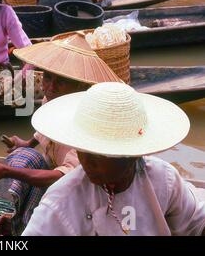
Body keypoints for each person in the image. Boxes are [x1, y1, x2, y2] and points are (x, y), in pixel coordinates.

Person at [23, 82, 205, 235]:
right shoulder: (62, 200)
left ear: (132, 156)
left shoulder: (163, 179)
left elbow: (195, 222)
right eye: (83, 149)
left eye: (101, 154)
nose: (87, 161)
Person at [0, 36, 122, 235]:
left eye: (61, 82)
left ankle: (25, 227)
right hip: (56, 172)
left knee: (41, 183)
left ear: (81, 86)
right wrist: (27, 143)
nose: (50, 86)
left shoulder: (87, 122)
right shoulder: (51, 101)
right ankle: (19, 220)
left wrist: (7, 172)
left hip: (82, 189)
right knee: (26, 156)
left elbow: (60, 177)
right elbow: (44, 132)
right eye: (48, 77)